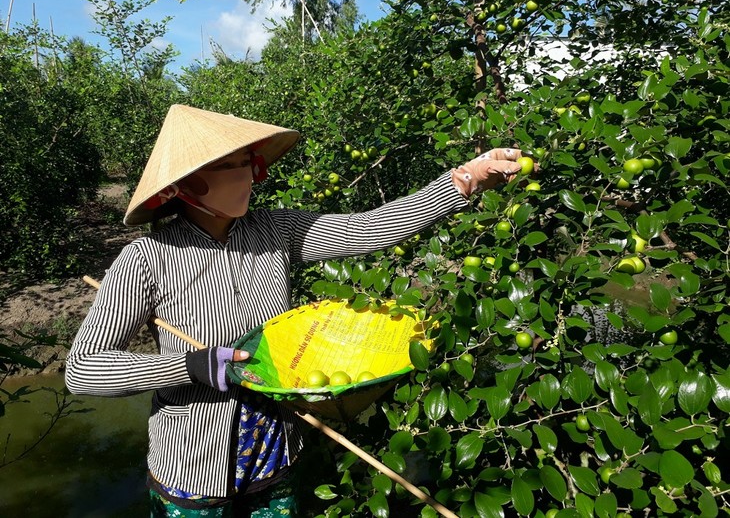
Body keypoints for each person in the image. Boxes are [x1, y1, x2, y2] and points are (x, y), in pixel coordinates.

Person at [65, 104, 524, 516]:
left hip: (277, 450)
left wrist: (463, 180)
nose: (244, 176)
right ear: (186, 185)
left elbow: (367, 231)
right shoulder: (148, 259)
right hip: (191, 465)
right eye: (228, 167)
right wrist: (189, 366)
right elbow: (83, 369)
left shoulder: (276, 229)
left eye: (247, 163)